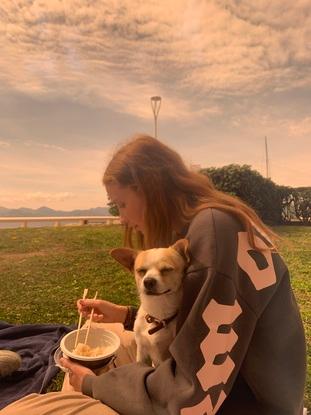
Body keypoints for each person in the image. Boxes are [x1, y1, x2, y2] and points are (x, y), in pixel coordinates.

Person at [1, 134, 306, 415]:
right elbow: (206, 327)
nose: (122, 218)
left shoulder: (213, 233)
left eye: (122, 203)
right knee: (106, 343)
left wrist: (93, 386)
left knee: (28, 409)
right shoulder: (213, 223)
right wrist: (127, 315)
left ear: (151, 190)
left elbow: (192, 397)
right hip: (225, 384)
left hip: (239, 404)